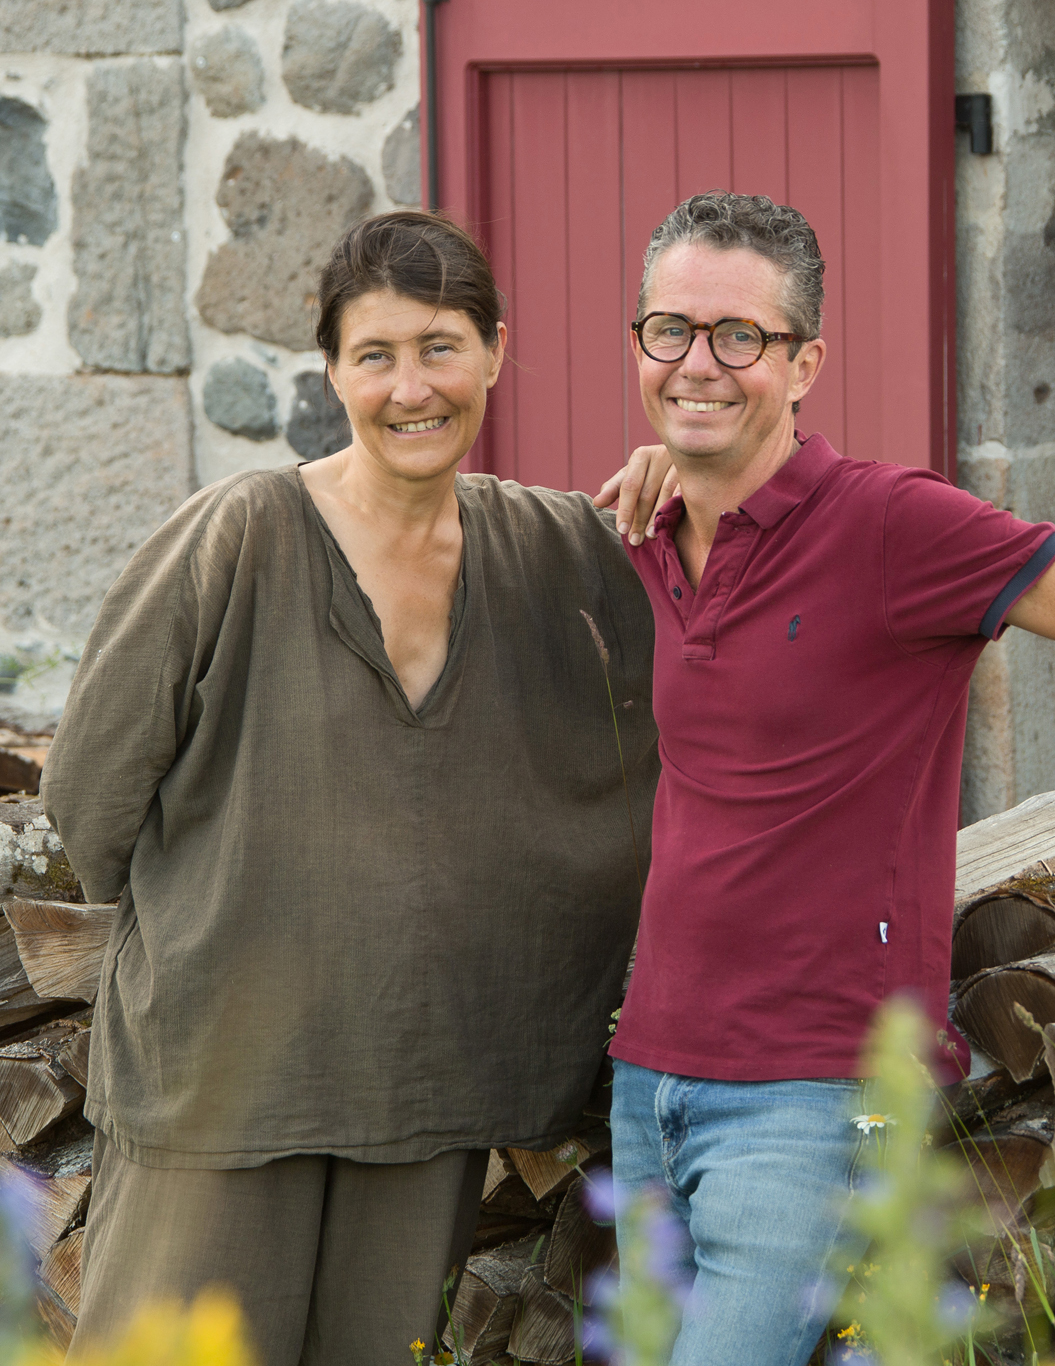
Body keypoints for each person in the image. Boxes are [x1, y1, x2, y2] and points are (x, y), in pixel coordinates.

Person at [598, 190, 1055, 1363]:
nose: (698, 361)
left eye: (738, 336)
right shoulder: (649, 526)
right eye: (670, 330)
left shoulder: (892, 529)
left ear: (804, 365)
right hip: (651, 1079)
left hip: (814, 1096)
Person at [42, 210, 665, 1363]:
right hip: (225, 1078)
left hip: (421, 1085)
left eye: (439, 346)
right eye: (374, 354)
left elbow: (731, 617)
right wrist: (222, 924)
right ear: (332, 370)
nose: (409, 386)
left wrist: (694, 464)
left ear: (493, 351)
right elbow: (90, 792)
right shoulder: (237, 535)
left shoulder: (563, 551)